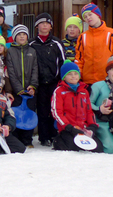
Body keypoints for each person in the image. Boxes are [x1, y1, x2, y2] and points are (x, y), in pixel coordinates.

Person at [29, 13, 65, 146]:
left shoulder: (56, 43)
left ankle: (54, 135)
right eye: (42, 23)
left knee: (54, 109)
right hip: (38, 83)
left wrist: (62, 81)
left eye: (47, 23)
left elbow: (63, 62)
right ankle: (43, 137)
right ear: (37, 26)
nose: (44, 26)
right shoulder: (31, 43)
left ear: (51, 26)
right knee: (42, 110)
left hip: (54, 82)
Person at [51, 61, 103, 152]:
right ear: (64, 77)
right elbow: (56, 112)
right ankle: (59, 140)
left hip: (83, 128)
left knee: (98, 148)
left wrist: (92, 126)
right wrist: (68, 126)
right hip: (68, 128)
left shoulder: (84, 91)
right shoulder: (59, 91)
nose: (73, 76)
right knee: (72, 147)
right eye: (69, 74)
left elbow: (89, 111)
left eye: (76, 73)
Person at [75, 3, 113, 85]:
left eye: (90, 14)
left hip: (107, 80)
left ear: (97, 14)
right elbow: (79, 59)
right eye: (85, 17)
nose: (88, 18)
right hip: (87, 81)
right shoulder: (82, 37)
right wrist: (78, 76)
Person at [6, 25, 39, 147]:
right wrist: (18, 89)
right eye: (19, 34)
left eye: (24, 34)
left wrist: (33, 86)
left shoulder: (32, 51)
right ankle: (17, 139)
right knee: (16, 115)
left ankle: (27, 140)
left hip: (30, 91)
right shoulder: (10, 51)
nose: (22, 36)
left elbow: (35, 69)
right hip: (17, 92)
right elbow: (11, 72)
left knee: (29, 114)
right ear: (14, 37)